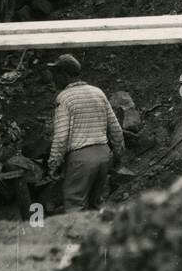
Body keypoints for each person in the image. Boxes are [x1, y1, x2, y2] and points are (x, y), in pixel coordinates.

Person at [46, 53, 124, 212]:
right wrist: (118, 154)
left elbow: (61, 137)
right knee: (96, 206)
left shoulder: (64, 98)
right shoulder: (98, 92)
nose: (53, 79)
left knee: (75, 207)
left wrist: (53, 164)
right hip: (103, 156)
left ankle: (80, 237)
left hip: (81, 160)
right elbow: (115, 128)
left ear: (65, 75)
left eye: (56, 75)